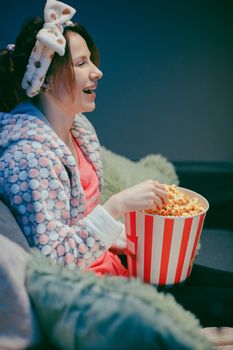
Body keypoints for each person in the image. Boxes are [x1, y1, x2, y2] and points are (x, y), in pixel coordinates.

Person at [0, 0, 168, 277]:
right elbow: (53, 262)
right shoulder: (29, 158)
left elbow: (80, 221)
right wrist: (117, 206)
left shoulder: (79, 130)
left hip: (109, 267)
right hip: (85, 291)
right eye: (81, 63)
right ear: (44, 80)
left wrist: (126, 239)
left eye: (91, 60)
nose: (97, 72)